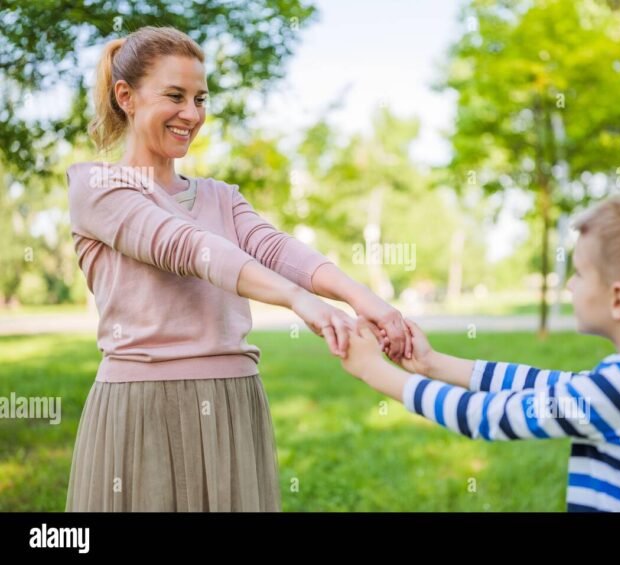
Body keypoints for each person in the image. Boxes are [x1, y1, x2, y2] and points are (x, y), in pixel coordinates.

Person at [65, 25, 411, 512]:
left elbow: (277, 249)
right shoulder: (96, 187)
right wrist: (297, 300)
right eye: (175, 96)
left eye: (200, 98)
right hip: (142, 407)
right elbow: (187, 247)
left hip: (233, 403)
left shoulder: (220, 197)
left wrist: (364, 300)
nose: (192, 114)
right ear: (126, 96)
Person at [341, 193, 620, 512]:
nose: (570, 285)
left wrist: (375, 371)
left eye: (581, 273)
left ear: (619, 298)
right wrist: (432, 363)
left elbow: (481, 417)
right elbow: (545, 386)